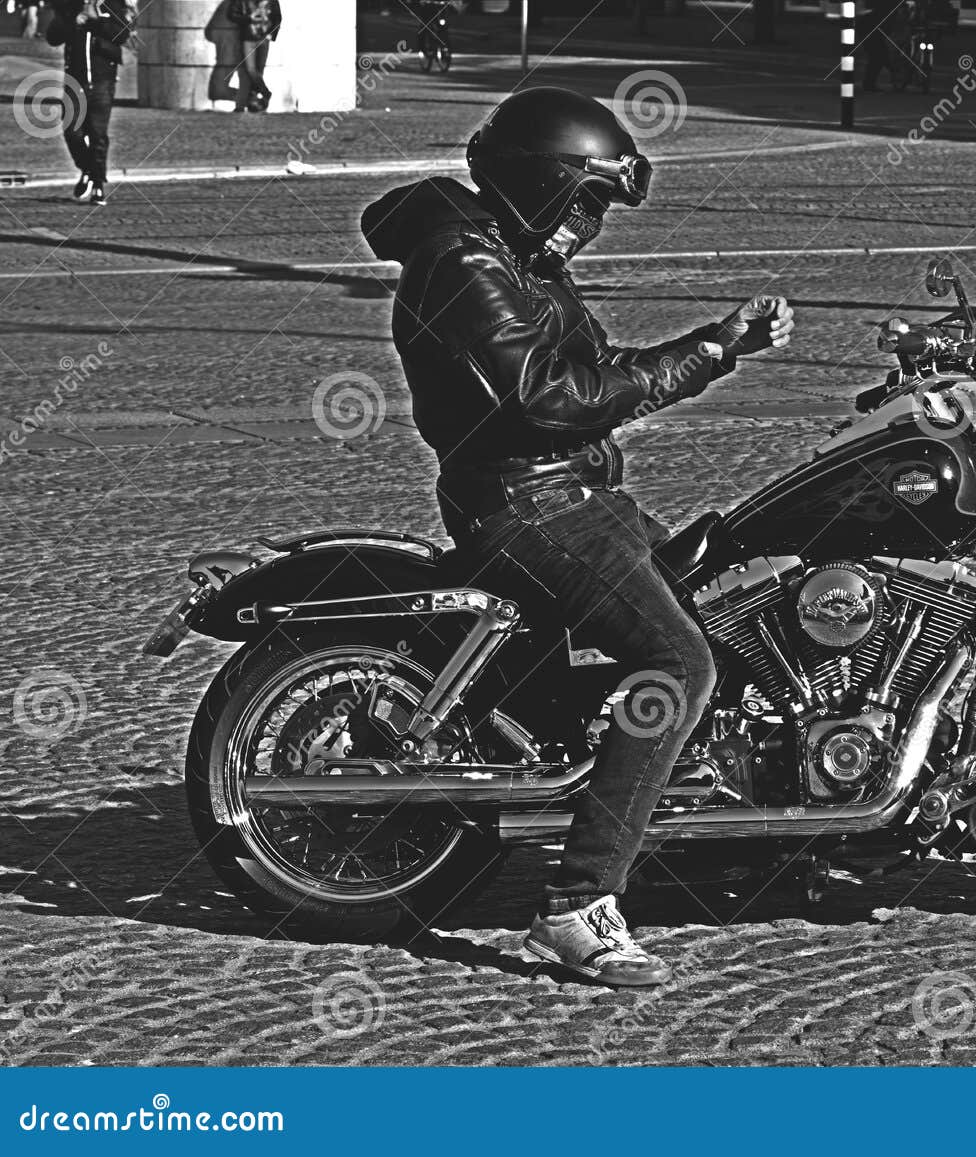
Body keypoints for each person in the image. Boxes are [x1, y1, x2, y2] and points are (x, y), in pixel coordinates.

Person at [359, 88, 793, 988]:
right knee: (679, 664)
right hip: (529, 507)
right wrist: (712, 350)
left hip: (576, 494)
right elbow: (551, 397)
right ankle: (576, 905)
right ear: (536, 183)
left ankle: (716, 831)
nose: (589, 225)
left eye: (598, 209)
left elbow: (584, 369)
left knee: (729, 606)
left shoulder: (515, 251)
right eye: (584, 201)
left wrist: (726, 342)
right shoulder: (463, 261)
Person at [45, 0, 133, 207]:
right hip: (74, 80)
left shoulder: (113, 4)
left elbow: (121, 34)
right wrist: (72, 21)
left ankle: (98, 185)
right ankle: (87, 168)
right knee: (71, 130)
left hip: (103, 80)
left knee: (97, 134)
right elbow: (52, 37)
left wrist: (93, 22)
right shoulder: (69, 6)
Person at [227, 0, 282, 113]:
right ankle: (266, 93)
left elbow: (278, 18)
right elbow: (231, 15)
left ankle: (254, 103)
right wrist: (248, 19)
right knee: (250, 70)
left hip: (264, 39)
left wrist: (271, 35)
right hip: (248, 39)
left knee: (259, 71)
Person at [862, 0, 910, 92]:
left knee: (878, 55)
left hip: (872, 28)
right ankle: (869, 84)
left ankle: (869, 83)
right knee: (878, 56)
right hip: (871, 29)